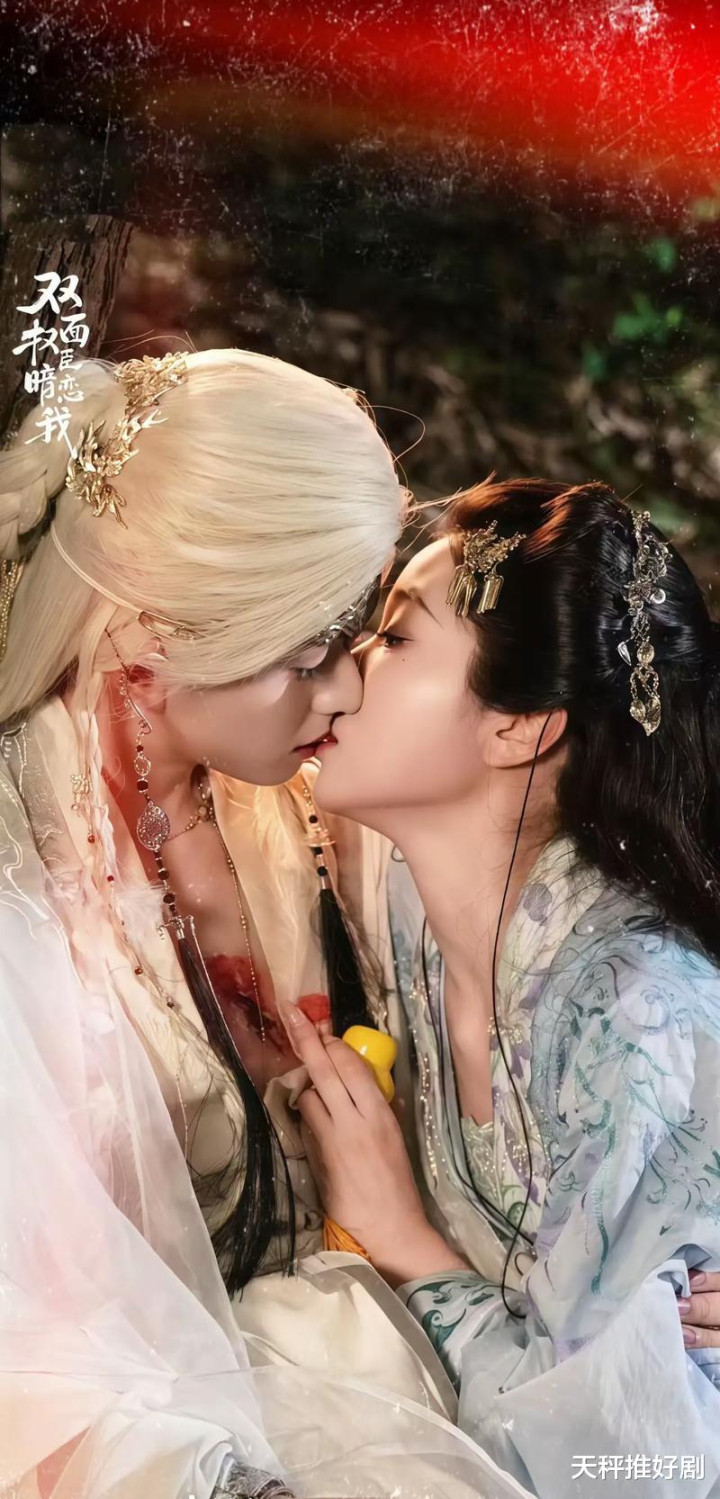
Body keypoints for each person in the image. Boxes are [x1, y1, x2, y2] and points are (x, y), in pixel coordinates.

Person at [0, 354, 526, 1499]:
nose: (346, 688)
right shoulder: (19, 890)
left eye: (360, 636)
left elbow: (567, 1000)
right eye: (306, 653)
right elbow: (32, 1362)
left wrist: (672, 1238)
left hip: (413, 1364)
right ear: (150, 637)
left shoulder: (322, 803)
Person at [288, 478, 720, 1498]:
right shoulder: (401, 888)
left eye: (395, 638)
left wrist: (405, 1241)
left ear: (520, 728)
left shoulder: (637, 1013)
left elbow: (631, 1468)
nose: (340, 671)